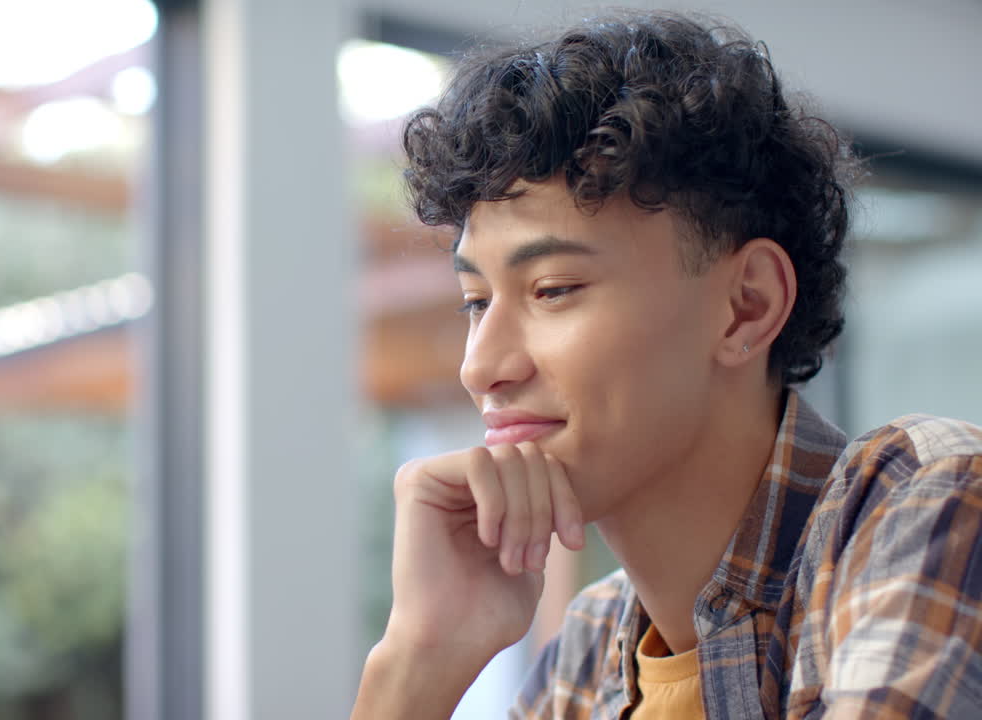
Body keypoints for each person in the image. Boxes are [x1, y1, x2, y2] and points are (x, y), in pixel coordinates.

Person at [349, 9, 982, 720]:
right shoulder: (584, 659)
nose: (479, 367)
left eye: (552, 290)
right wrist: (416, 661)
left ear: (746, 306)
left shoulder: (923, 500)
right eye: (475, 301)